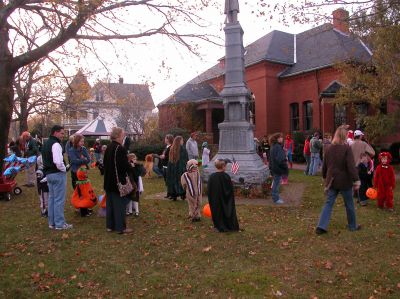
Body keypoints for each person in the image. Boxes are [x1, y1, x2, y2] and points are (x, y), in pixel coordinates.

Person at [315, 125, 361, 235]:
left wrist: (324, 177)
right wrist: (357, 180)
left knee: (328, 203)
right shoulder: (346, 148)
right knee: (349, 203)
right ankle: (352, 226)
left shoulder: (329, 148)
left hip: (332, 180)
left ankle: (321, 226)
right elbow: (351, 166)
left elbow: (325, 166)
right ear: (344, 136)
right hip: (344, 181)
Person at [42, 125, 72, 230]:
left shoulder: (45, 144)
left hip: (49, 174)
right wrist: (64, 169)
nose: (63, 135)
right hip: (57, 174)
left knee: (52, 199)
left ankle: (52, 223)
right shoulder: (56, 144)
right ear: (55, 132)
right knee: (59, 200)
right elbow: (58, 162)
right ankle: (59, 223)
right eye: (62, 133)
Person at [103, 127, 133, 234]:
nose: (124, 136)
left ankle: (110, 226)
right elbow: (123, 166)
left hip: (108, 180)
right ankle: (121, 227)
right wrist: (131, 165)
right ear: (118, 135)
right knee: (119, 205)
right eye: (123, 134)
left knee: (110, 204)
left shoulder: (109, 147)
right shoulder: (119, 148)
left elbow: (105, 164)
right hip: (117, 181)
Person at [207, 158, 240, 232]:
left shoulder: (212, 177)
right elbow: (230, 189)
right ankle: (227, 225)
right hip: (225, 199)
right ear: (223, 166)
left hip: (215, 200)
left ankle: (218, 226)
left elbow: (209, 190)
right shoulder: (226, 176)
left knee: (217, 212)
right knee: (226, 210)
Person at [68, 134, 91, 217]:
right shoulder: (71, 150)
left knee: (85, 190)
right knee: (78, 191)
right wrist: (83, 159)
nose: (82, 143)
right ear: (77, 141)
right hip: (75, 172)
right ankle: (81, 209)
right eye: (81, 141)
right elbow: (74, 161)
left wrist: (82, 160)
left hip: (83, 172)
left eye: (83, 141)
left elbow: (88, 159)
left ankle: (85, 207)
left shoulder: (84, 149)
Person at [167, 136, 189, 200]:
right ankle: (182, 194)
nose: (183, 142)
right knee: (181, 180)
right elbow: (185, 159)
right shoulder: (182, 149)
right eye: (182, 140)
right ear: (179, 141)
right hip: (180, 168)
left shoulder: (172, 148)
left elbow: (170, 160)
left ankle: (174, 195)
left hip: (172, 168)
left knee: (173, 180)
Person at [269, 133, 288, 204]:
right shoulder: (277, 147)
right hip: (277, 168)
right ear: (277, 139)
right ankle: (276, 199)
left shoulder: (273, 146)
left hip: (275, 168)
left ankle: (276, 197)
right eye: (280, 137)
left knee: (276, 183)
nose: (282, 139)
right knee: (276, 184)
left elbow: (271, 159)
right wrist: (285, 162)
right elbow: (280, 159)